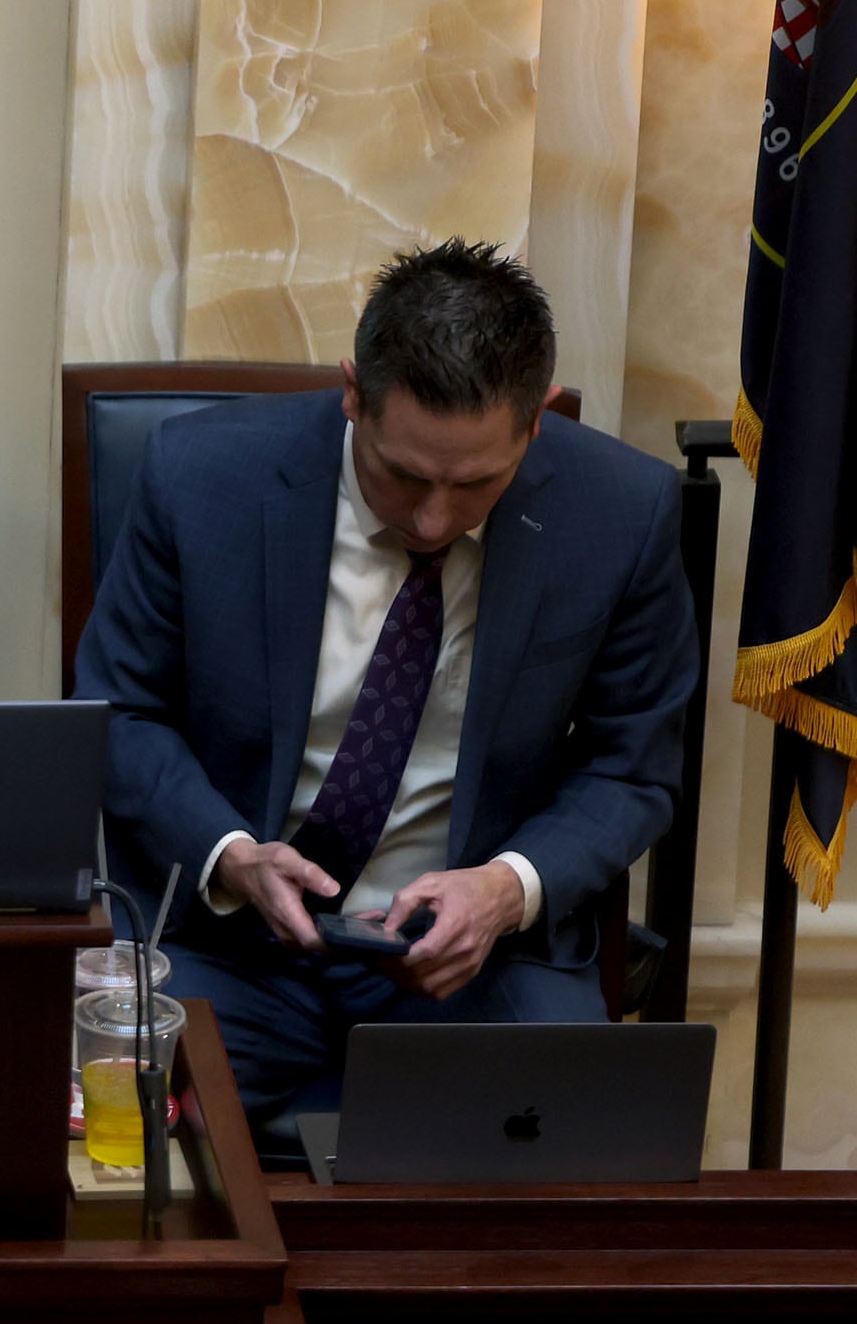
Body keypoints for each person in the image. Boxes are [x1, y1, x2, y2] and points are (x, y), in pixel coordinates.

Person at [80, 240, 696, 1131]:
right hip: (234, 943)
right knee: (114, 1140)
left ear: (536, 422)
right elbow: (119, 713)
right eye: (402, 475)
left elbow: (633, 765)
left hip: (479, 956)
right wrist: (231, 855)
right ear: (353, 394)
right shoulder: (200, 477)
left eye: (476, 483)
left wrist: (505, 888)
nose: (433, 519)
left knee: (574, 1156)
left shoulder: (623, 513)